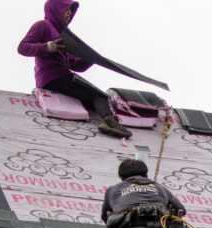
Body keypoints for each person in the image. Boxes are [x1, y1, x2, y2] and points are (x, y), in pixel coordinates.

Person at [18, 0, 131, 138]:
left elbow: (75, 65)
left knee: (92, 101)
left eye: (71, 11)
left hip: (61, 78)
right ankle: (111, 122)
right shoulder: (43, 26)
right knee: (99, 96)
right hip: (54, 77)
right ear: (57, 10)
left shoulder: (65, 35)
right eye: (67, 10)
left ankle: (106, 122)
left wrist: (92, 58)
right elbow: (22, 48)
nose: (69, 14)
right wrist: (46, 47)